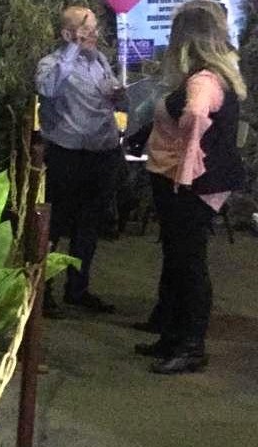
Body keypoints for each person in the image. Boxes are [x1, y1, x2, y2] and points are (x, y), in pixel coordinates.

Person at [132, 1, 245, 374]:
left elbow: (196, 115)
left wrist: (185, 161)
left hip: (192, 184)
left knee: (189, 263)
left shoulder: (203, 80)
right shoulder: (211, 75)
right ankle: (174, 335)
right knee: (179, 260)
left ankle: (191, 345)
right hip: (188, 181)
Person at [36, 5, 124, 315]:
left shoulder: (100, 61)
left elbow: (108, 92)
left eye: (95, 30)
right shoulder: (52, 64)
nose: (94, 36)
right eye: (87, 31)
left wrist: (118, 94)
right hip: (67, 155)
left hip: (101, 153)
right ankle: (42, 292)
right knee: (56, 225)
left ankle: (78, 288)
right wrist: (74, 47)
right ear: (67, 34)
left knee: (88, 226)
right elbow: (47, 88)